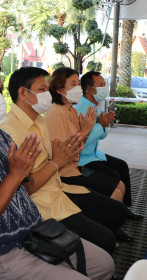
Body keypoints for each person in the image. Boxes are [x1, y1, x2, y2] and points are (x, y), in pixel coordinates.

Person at [0, 61, 115, 280]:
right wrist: (18, 174)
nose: (0, 98)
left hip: (37, 232)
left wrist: (35, 170)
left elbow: (26, 187)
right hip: (3, 250)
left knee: (105, 265)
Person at [0, 67, 131, 253]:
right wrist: (60, 159)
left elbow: (65, 154)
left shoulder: (40, 120)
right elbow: (26, 187)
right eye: (42, 89)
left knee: (117, 211)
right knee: (106, 239)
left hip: (59, 187)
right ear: (23, 93)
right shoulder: (9, 130)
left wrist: (87, 132)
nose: (47, 94)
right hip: (44, 203)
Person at [45, 67, 125, 202]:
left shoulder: (71, 110)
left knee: (119, 181)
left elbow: (85, 141)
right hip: (70, 171)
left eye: (78, 84)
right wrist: (88, 129)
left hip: (77, 166)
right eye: (73, 84)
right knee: (115, 188)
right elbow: (66, 150)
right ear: (59, 89)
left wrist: (96, 127)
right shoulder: (56, 113)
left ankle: (123, 211)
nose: (78, 88)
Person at [74, 71, 143, 220]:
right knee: (114, 175)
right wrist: (101, 125)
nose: (104, 88)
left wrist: (104, 125)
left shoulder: (95, 107)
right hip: (83, 159)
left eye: (104, 85)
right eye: (101, 85)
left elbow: (102, 136)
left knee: (122, 166)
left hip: (94, 155)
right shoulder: (79, 108)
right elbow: (82, 139)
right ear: (89, 89)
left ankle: (124, 209)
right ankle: (115, 211)